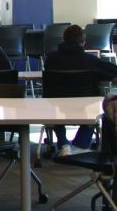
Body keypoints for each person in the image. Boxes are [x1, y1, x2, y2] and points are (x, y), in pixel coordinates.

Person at [44, 25, 117, 155]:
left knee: (54, 108)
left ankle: (63, 143)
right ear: (83, 43)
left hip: (56, 105)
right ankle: (80, 144)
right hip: (85, 105)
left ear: (63, 40)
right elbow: (113, 70)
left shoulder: (50, 59)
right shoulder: (90, 60)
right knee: (98, 104)